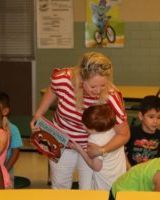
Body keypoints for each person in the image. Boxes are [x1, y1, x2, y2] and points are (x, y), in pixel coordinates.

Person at [30, 52, 130, 189]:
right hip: (61, 139)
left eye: (103, 85)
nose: (98, 90)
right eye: (93, 86)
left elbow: (124, 134)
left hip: (90, 147)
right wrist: (39, 113)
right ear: (82, 79)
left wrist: (102, 150)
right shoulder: (64, 79)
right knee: (60, 185)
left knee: (87, 189)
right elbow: (53, 89)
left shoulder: (111, 97)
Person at [71, 104, 126, 190]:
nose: (83, 126)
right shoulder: (116, 132)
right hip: (120, 179)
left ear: (96, 129)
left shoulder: (94, 140)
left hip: (104, 184)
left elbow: (96, 167)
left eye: (86, 126)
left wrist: (79, 149)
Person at [126, 95, 160, 168]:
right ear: (141, 116)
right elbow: (120, 153)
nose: (155, 121)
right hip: (132, 174)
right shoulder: (130, 133)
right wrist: (130, 170)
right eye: (151, 117)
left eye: (159, 117)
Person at [0, 91, 23, 188]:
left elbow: (15, 152)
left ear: (5, 111)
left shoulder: (13, 129)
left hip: (5, 172)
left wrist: (5, 169)